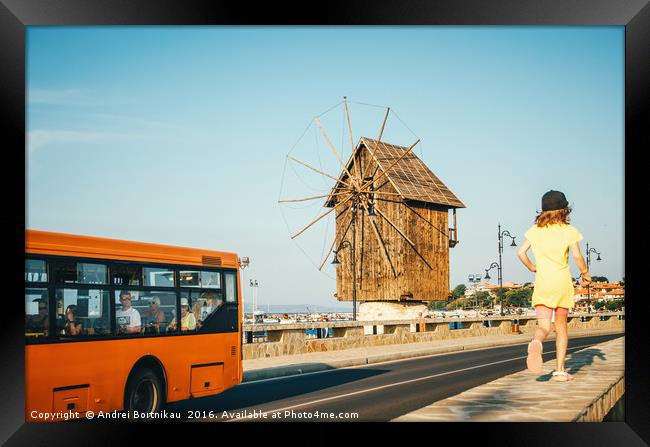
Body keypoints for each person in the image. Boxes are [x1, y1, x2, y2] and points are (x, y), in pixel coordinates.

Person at [517, 190, 591, 382]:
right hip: (561, 284)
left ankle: (536, 342)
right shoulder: (569, 231)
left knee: (543, 326)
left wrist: (533, 267)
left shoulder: (535, 230)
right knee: (561, 328)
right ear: (565, 209)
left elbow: (521, 253)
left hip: (542, 282)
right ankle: (559, 370)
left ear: (542, 211)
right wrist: (585, 274)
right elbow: (577, 257)